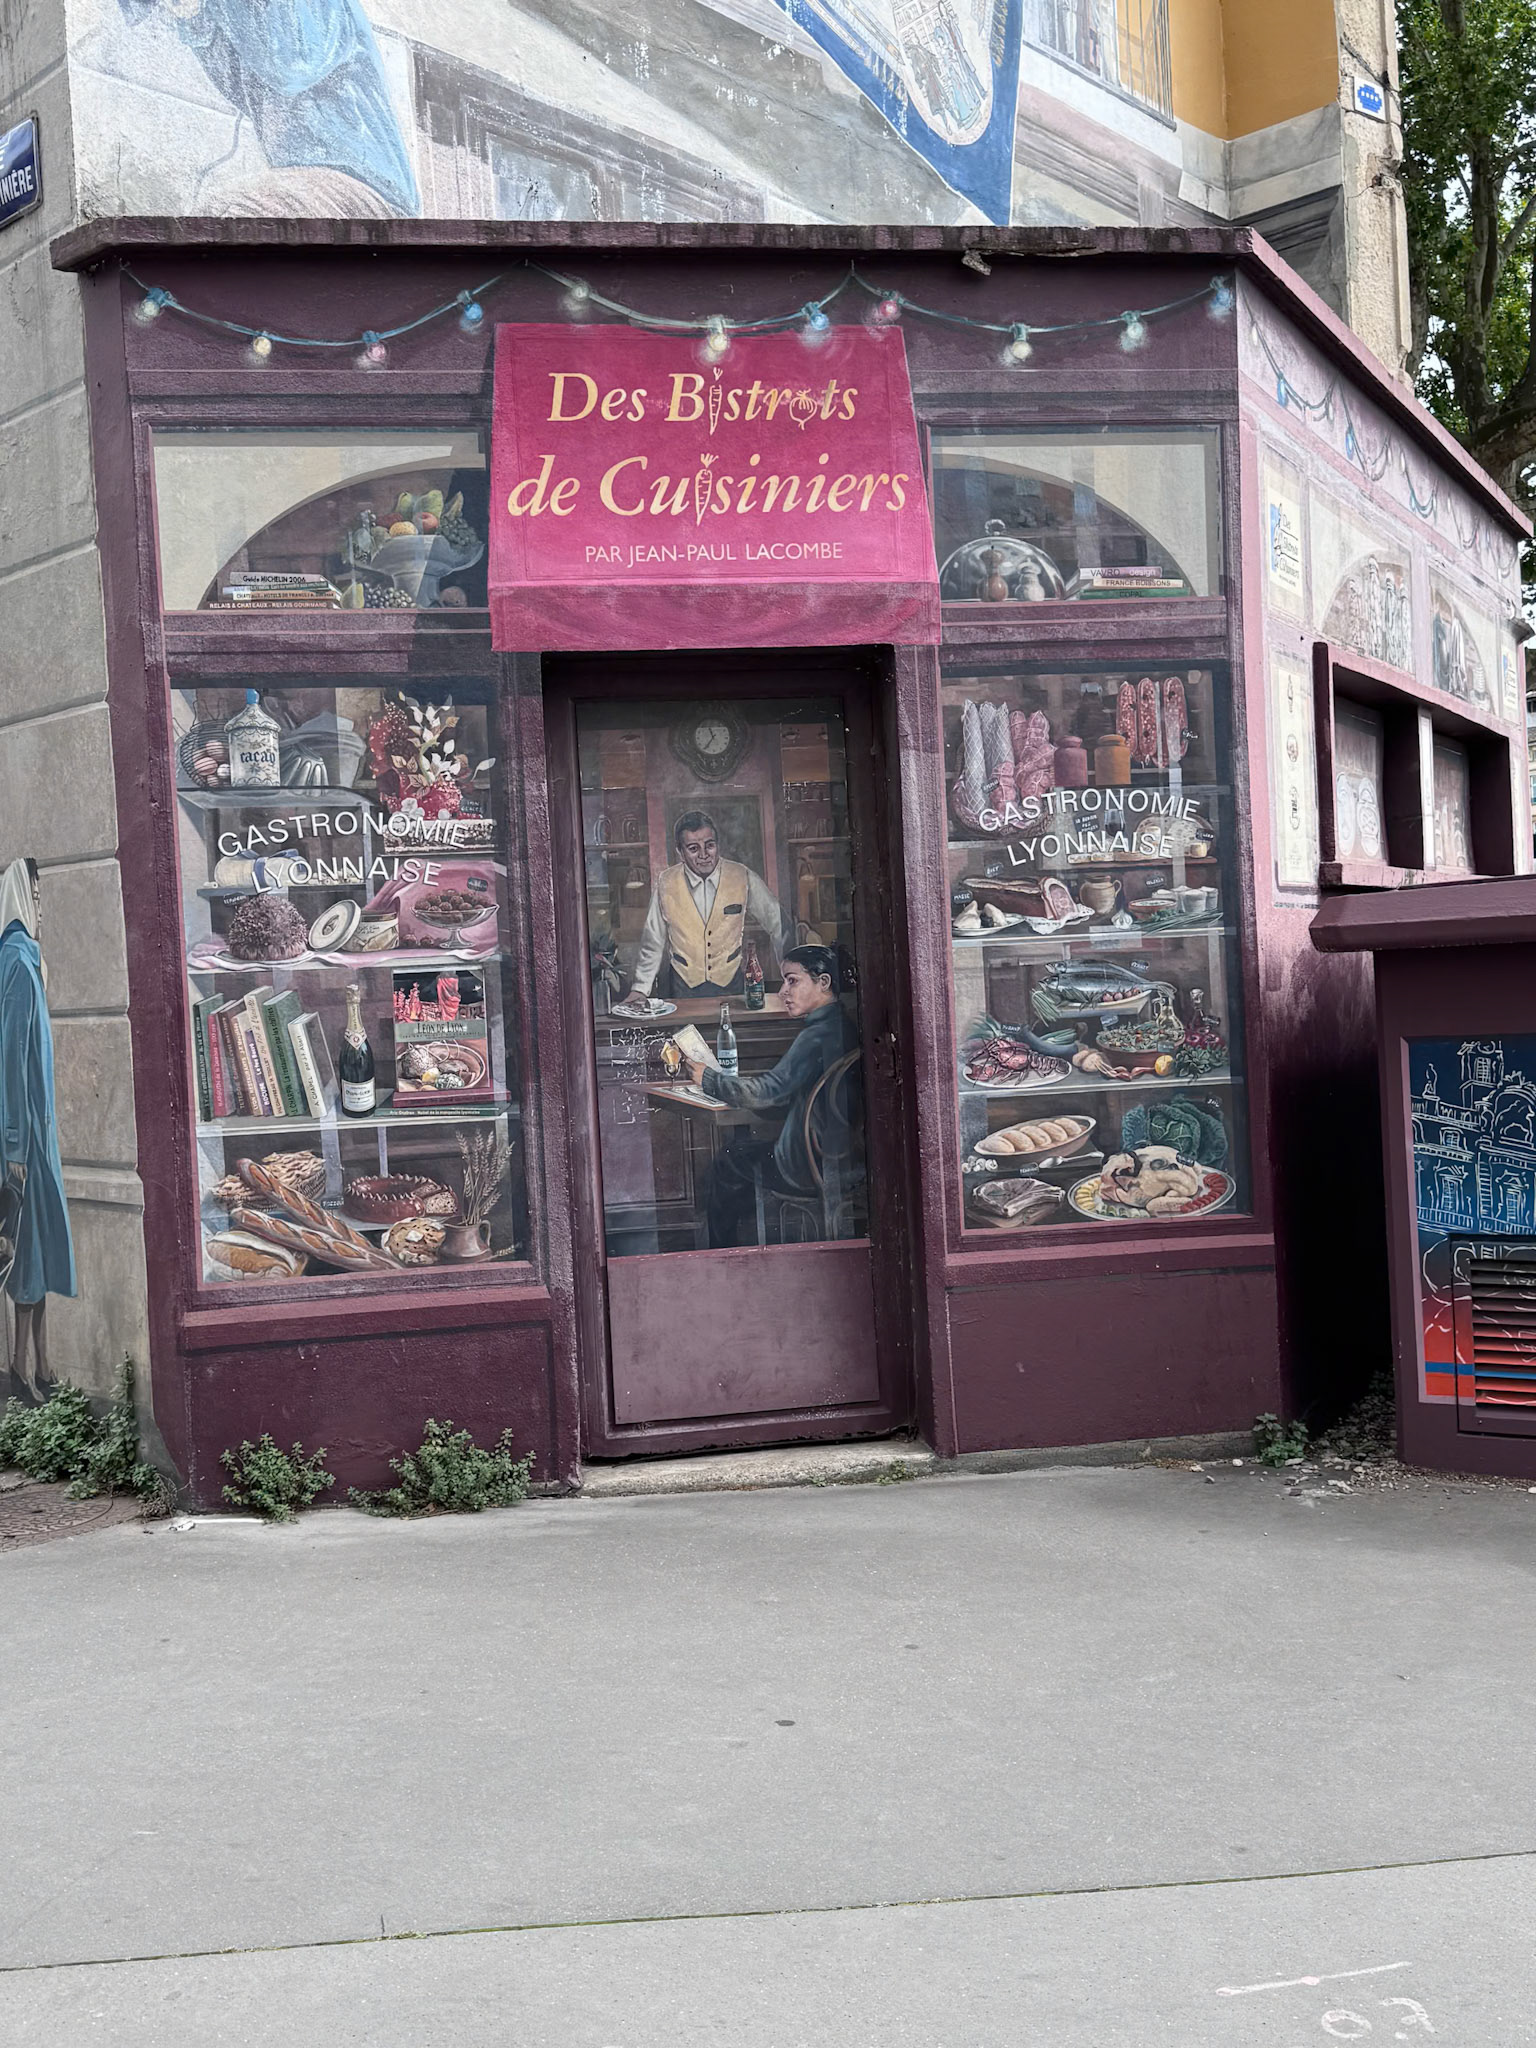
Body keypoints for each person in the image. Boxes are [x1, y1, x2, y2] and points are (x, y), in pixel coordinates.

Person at [685, 945, 863, 1248]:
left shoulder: (817, 1035)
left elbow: (767, 1091)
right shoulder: (842, 1026)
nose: (783, 992)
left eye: (792, 980)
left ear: (823, 982)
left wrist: (709, 1079)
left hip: (807, 1166)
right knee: (741, 1156)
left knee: (727, 1162)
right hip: (844, 1161)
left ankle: (724, 1256)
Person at [0, 859, 76, 1400]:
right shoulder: (16, 957)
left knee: (39, 1248)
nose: (43, 908)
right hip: (25, 1136)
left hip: (34, 1131)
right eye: (38, 895)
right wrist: (14, 1145)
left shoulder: (23, 954)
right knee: (27, 1252)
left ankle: (42, 1365)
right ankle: (21, 1370)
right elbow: (11, 1056)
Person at [630, 811, 787, 1002]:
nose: (704, 855)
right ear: (680, 851)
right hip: (681, 987)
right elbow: (652, 941)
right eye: (693, 848)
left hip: (731, 984)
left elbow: (778, 922)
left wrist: (791, 975)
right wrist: (640, 989)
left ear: (717, 845)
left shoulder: (741, 875)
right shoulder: (666, 882)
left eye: (710, 845)